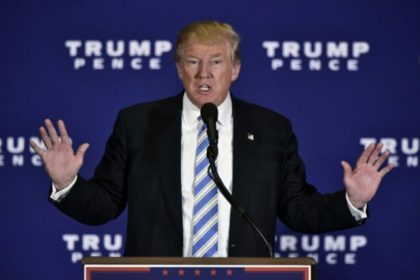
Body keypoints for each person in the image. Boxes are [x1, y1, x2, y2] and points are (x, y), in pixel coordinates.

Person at [31, 20, 394, 257]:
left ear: (235, 69)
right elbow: (105, 204)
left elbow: (297, 209)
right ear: (178, 68)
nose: (204, 74)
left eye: (216, 62)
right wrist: (67, 184)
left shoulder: (272, 129)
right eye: (192, 62)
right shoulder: (138, 123)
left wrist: (352, 201)